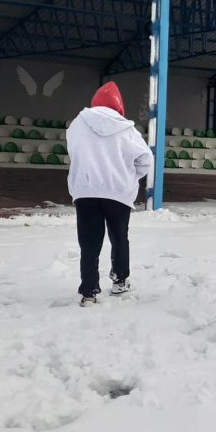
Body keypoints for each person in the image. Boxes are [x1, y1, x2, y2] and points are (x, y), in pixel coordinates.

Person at [66, 81, 153, 306]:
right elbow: (146, 160)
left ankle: (89, 292)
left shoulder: (77, 124)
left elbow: (73, 151)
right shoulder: (127, 129)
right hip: (118, 193)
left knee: (89, 243)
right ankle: (119, 281)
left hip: (85, 191)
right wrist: (130, 177)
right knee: (119, 238)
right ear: (119, 105)